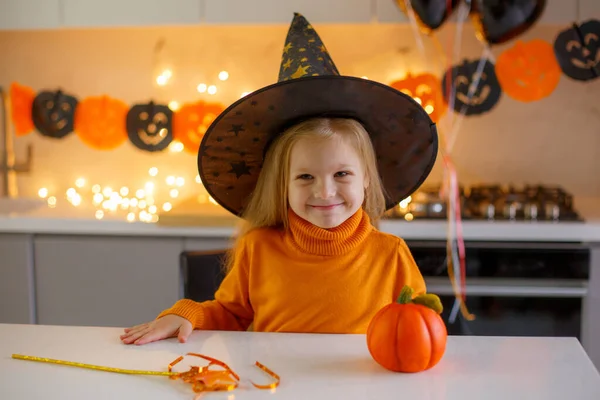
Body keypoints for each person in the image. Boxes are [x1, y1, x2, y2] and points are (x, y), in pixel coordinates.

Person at [121, 12, 438, 346]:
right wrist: (185, 314)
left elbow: (416, 327)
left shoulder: (391, 255)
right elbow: (230, 314)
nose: (324, 190)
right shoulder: (258, 249)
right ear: (281, 184)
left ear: (367, 180)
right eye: (304, 176)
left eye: (342, 173)